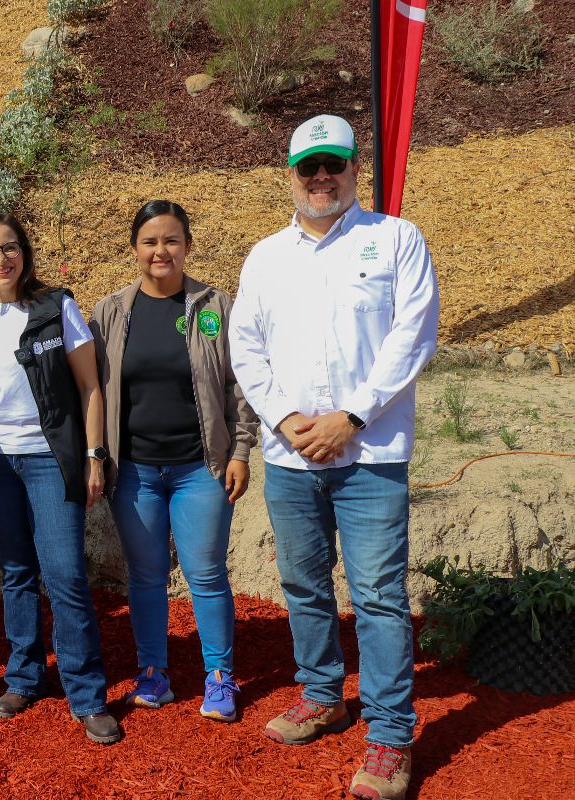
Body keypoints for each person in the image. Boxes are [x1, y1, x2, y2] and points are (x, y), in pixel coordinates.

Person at [228, 114, 439, 800]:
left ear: (355, 170)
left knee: (378, 597)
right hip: (292, 458)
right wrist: (290, 420)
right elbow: (245, 350)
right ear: (289, 175)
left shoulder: (396, 240)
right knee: (304, 586)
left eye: (335, 166)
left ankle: (388, 736)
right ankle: (322, 694)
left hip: (370, 452)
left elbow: (414, 337)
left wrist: (350, 417)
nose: (322, 178)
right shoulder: (264, 258)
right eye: (309, 168)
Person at [0, 212, 120, 745]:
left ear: (24, 253)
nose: (0, 259)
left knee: (67, 575)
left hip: (50, 459)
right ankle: (24, 676)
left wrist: (94, 456)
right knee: (17, 572)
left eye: (9, 248)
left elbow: (90, 387)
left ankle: (87, 694)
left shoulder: (57, 308)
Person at [90, 200, 256, 723]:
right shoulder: (112, 311)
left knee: (206, 574)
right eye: (150, 241)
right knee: (145, 575)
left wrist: (241, 450)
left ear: (186, 245)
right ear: (134, 248)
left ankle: (219, 676)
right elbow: (93, 388)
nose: (160, 251)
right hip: (134, 471)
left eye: (171, 240)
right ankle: (154, 672)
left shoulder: (213, 307)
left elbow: (239, 385)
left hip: (199, 468)